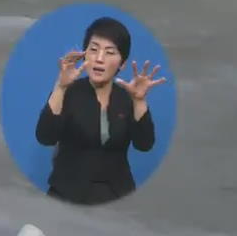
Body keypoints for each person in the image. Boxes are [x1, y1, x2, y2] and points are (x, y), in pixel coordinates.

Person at [35, 17, 166, 205]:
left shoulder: (127, 97)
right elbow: (45, 137)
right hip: (66, 194)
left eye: (110, 52)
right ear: (84, 55)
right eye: (93, 49)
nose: (99, 58)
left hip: (117, 195)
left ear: (122, 63)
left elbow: (144, 144)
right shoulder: (69, 92)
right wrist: (60, 87)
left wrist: (139, 101)